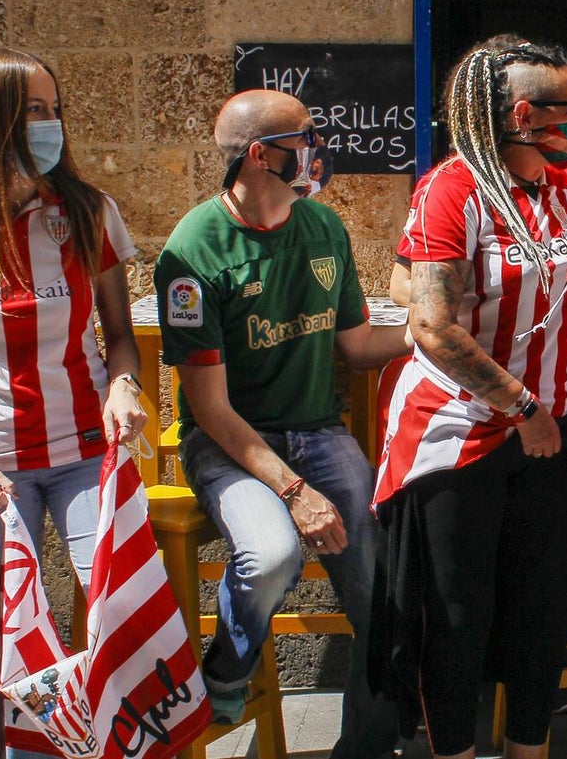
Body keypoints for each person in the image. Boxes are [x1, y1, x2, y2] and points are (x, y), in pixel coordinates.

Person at [153, 89, 409, 758]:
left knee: (380, 592)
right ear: (261, 155)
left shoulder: (322, 228)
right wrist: (295, 492)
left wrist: (429, 334)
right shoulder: (192, 251)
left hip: (318, 431)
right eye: (306, 138)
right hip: (230, 443)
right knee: (270, 556)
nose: (318, 150)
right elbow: (210, 408)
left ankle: (368, 743)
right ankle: (225, 671)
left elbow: (355, 346)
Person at [370, 39, 567, 759]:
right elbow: (434, 327)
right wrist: (524, 408)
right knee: (457, 617)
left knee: (542, 612)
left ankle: (529, 750)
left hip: (552, 433)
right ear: (525, 115)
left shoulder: (562, 185)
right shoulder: (452, 190)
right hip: (463, 435)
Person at [0, 45, 146, 758]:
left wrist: (124, 384)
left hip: (84, 451)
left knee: (119, 612)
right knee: (12, 642)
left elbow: (120, 336)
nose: (52, 126)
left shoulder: (85, 212)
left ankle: (116, 742)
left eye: (56, 110)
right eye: (36, 113)